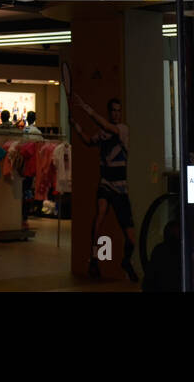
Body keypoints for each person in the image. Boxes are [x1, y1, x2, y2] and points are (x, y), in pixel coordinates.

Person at [74, 93, 138, 282]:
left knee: (131, 238)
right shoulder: (103, 134)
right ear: (109, 112)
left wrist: (86, 108)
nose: (117, 114)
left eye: (119, 111)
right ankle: (94, 259)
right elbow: (88, 141)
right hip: (105, 184)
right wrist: (76, 126)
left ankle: (126, 262)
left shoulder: (122, 130)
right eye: (114, 111)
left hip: (121, 189)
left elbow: (105, 126)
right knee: (100, 215)